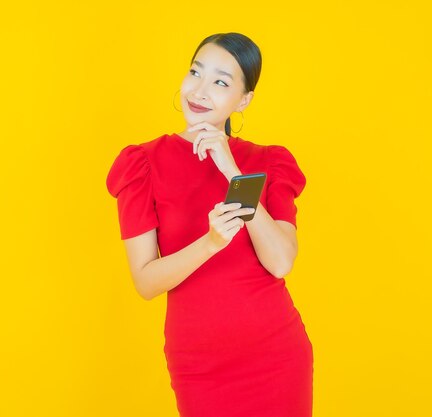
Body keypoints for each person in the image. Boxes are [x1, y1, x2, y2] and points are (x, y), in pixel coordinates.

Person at [106, 32, 313, 417]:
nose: (200, 90)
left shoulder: (267, 162)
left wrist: (231, 170)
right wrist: (211, 243)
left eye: (220, 82)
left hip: (276, 355)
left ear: (244, 100)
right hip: (199, 366)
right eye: (195, 72)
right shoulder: (143, 164)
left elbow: (281, 262)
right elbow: (146, 282)